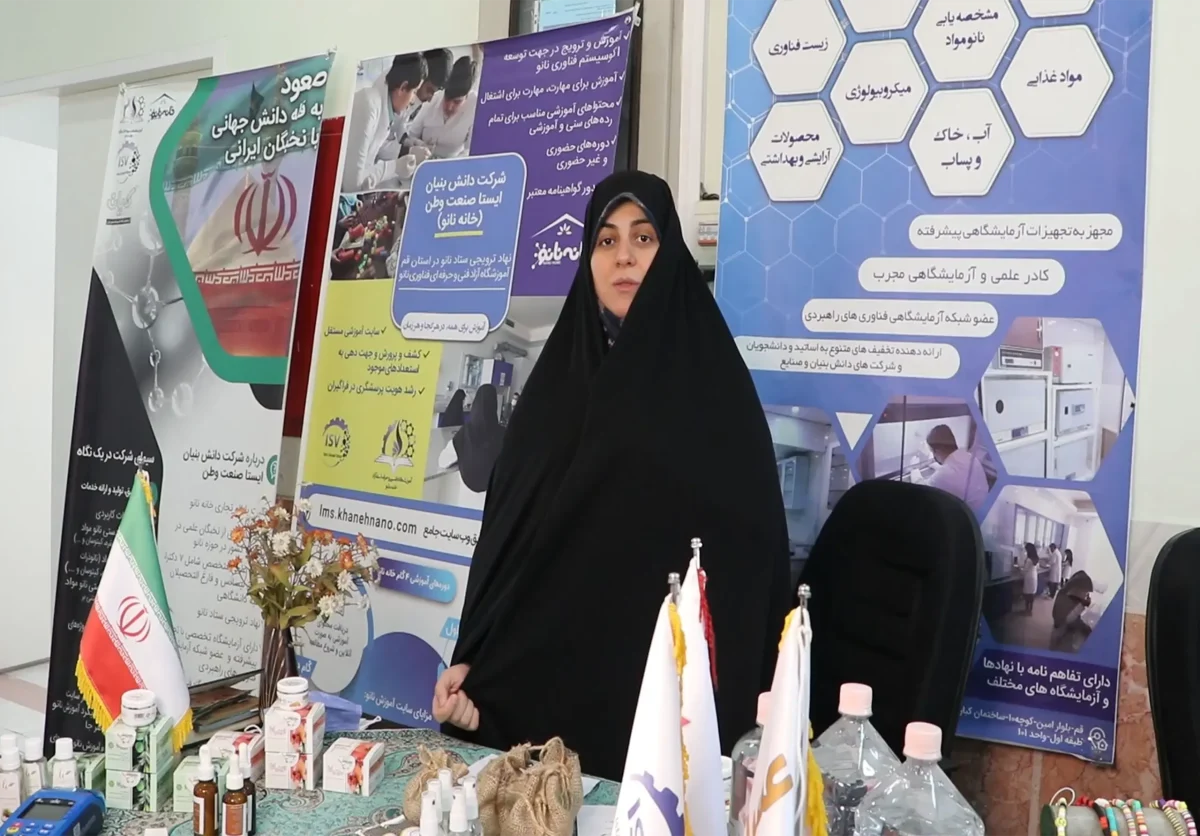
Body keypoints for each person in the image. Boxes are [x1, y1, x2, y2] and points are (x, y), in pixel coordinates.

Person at [430, 171, 792, 780]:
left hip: (666, 707)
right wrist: (473, 661)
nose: (623, 256)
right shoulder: (554, 391)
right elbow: (512, 546)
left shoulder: (715, 391)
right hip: (555, 701)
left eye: (643, 238)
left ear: (669, 252)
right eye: (606, 240)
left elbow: (748, 565)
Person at [342, 53, 432, 192]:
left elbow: (377, 145)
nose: (413, 100)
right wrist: (394, 168)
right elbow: (352, 184)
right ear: (403, 88)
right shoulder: (369, 106)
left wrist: (408, 151)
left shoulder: (384, 107)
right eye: (414, 92)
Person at [437, 384, 506, 492]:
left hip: (468, 487)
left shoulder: (465, 432)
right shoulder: (503, 434)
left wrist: (462, 455)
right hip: (495, 489)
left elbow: (443, 461)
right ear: (494, 405)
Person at [408, 56, 478, 159]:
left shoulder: (475, 106)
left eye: (457, 102)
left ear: (466, 97)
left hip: (452, 164)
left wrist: (448, 163)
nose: (449, 107)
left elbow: (471, 152)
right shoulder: (433, 98)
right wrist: (417, 145)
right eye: (447, 99)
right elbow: (411, 134)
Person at [924, 424, 989, 510]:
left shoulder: (944, 475)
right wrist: (935, 466)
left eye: (932, 451)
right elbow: (957, 473)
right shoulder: (969, 457)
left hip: (970, 516)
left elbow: (922, 489)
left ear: (937, 451)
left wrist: (914, 472)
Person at [1050, 570, 1094, 652]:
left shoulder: (1072, 598)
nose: (1086, 595)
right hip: (1059, 639)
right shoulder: (1064, 598)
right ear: (1077, 589)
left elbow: (1075, 619)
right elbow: (1065, 621)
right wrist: (1082, 605)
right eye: (1085, 592)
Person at [1020, 542, 1040, 615]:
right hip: (1034, 577)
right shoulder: (1036, 558)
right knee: (1031, 594)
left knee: (1027, 594)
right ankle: (1030, 610)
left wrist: (1019, 569)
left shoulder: (1029, 560)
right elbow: (1037, 568)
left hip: (1029, 577)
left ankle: (1026, 610)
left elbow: (1025, 570)